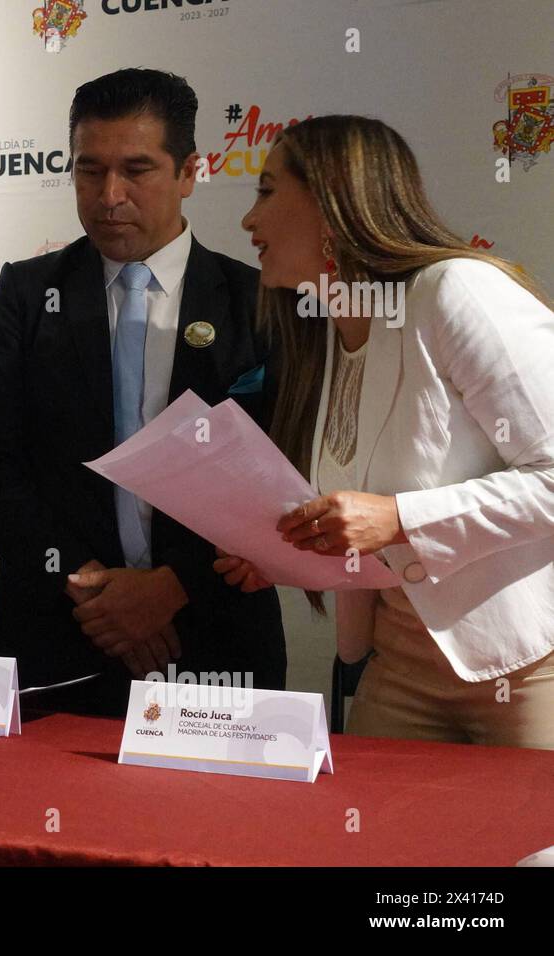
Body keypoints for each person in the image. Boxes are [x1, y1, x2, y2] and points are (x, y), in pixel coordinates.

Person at [0, 68, 286, 715]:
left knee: (217, 821)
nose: (109, 196)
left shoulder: (259, 302)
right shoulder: (26, 296)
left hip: (216, 641)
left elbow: (280, 475)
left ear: (190, 172)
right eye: (89, 170)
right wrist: (92, 591)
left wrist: (172, 588)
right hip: (55, 639)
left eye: (136, 170)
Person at [226, 114, 554, 748]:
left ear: (329, 201)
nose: (248, 219)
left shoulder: (456, 290)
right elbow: (365, 526)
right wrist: (286, 550)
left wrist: (399, 518)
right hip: (395, 667)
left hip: (530, 664)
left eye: (266, 191)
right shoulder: (324, 334)